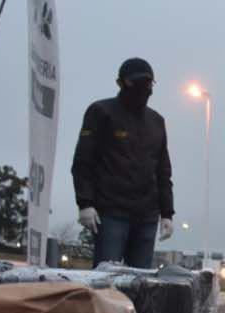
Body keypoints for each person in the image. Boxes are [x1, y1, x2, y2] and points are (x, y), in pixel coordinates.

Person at [71, 57, 174, 268]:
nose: (144, 88)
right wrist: (85, 203)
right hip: (111, 212)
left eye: (148, 82)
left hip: (147, 216)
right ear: (121, 83)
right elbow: (83, 160)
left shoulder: (156, 122)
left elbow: (163, 170)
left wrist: (167, 213)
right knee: (104, 277)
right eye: (137, 82)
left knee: (141, 280)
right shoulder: (101, 112)